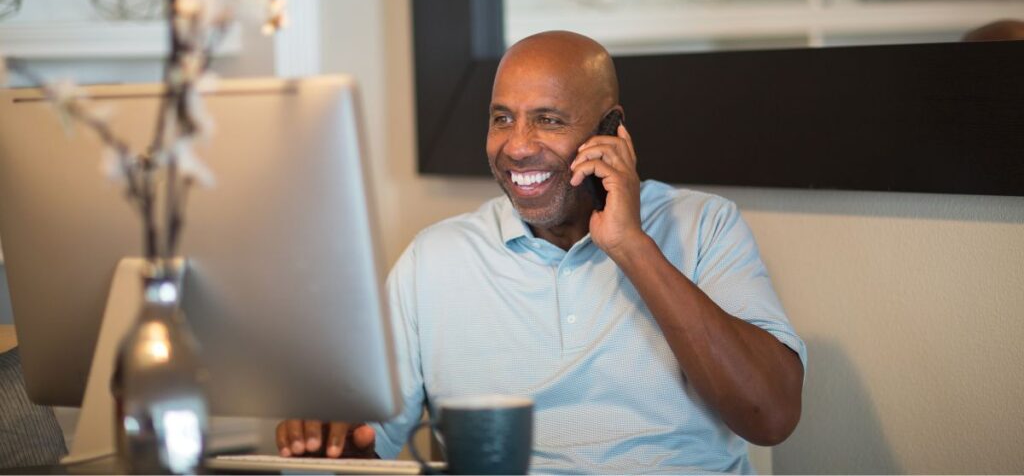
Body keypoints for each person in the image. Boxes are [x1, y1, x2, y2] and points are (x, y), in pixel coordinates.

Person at [276, 31, 806, 473]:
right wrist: (333, 443)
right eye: (502, 118)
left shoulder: (704, 226)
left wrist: (631, 246)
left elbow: (771, 414)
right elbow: (366, 437)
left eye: (549, 119)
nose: (518, 145)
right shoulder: (433, 259)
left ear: (611, 129)